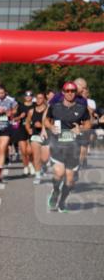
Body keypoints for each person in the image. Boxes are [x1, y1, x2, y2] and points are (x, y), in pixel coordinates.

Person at [46, 81, 92, 212]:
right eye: (67, 91)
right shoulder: (55, 107)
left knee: (70, 180)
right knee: (59, 173)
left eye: (73, 91)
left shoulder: (81, 108)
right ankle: (55, 192)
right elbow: (46, 120)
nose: (70, 93)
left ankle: (62, 202)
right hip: (57, 145)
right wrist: (50, 127)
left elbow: (88, 124)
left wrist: (81, 128)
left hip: (74, 146)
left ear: (75, 93)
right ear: (63, 92)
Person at [26, 92, 50, 184]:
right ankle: (37, 176)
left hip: (46, 135)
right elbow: (27, 122)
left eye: (41, 98)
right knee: (36, 156)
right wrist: (28, 129)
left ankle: (43, 166)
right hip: (35, 135)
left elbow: (52, 123)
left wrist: (42, 126)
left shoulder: (48, 111)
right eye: (37, 98)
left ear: (44, 99)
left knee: (44, 158)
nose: (39, 100)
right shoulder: (32, 111)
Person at [13, 91, 34, 176]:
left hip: (32, 129)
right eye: (26, 95)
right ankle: (25, 167)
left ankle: (31, 164)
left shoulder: (35, 106)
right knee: (23, 151)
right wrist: (20, 117)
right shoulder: (20, 106)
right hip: (22, 129)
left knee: (30, 151)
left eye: (30, 95)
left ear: (32, 97)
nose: (28, 97)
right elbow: (14, 119)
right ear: (24, 97)